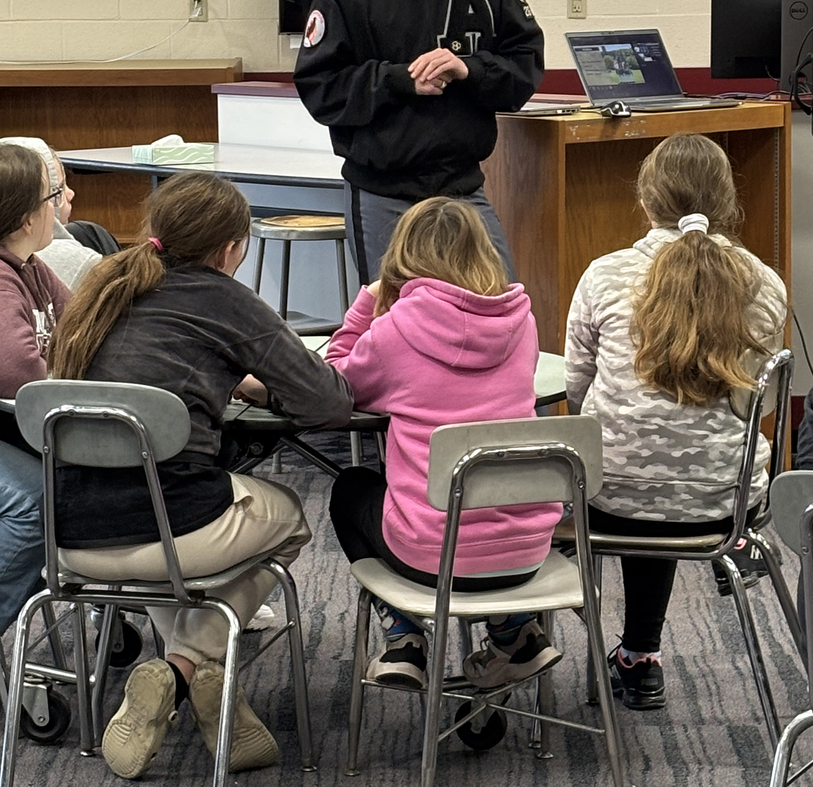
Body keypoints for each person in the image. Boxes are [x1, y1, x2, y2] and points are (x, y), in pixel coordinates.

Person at [48, 172, 353, 780]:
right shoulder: (224, 297)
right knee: (289, 517)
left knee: (183, 559)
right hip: (173, 535)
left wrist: (223, 372)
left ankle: (211, 700)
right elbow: (328, 405)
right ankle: (184, 668)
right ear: (232, 247)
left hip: (70, 541)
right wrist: (258, 379)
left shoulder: (104, 285)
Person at [565, 133, 787, 711]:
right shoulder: (765, 284)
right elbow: (756, 407)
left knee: (610, 472)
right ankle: (641, 657)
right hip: (723, 504)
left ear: (646, 202)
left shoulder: (604, 274)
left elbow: (575, 389)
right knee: (669, 476)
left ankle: (522, 642)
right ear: (728, 203)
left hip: (608, 497)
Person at [326, 197, 562, 691]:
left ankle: (404, 634)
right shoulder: (522, 322)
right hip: (528, 551)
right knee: (480, 508)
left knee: (350, 489)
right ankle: (514, 629)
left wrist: (368, 303)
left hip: (431, 558)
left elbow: (337, 382)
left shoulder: (394, 332)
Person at [294, 0, 544, 284]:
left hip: (463, 189)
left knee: (501, 307)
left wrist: (468, 70)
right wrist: (397, 80)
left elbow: (524, 66)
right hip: (381, 191)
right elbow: (320, 90)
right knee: (393, 327)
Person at [0, 143, 71, 637]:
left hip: (9, 429)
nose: (61, 202)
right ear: (28, 217)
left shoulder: (29, 267)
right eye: (53, 196)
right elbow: (19, 372)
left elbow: (86, 319)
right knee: (35, 502)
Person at [0, 136, 109, 289]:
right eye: (56, 193)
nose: (70, 194)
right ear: (28, 218)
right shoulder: (7, 293)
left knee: (87, 231)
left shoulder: (34, 265)